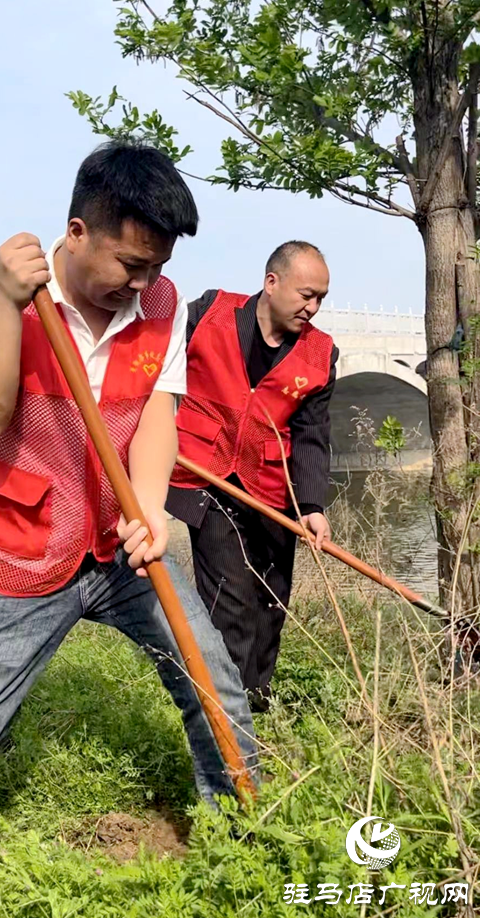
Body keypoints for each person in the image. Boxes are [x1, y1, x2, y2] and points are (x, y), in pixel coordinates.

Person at [0, 141, 258, 865]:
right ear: (77, 234)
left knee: (212, 678)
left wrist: (152, 511)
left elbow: (158, 414)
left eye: (158, 266)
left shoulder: (161, 306)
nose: (144, 284)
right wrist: (13, 305)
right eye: (131, 265)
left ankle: (240, 827)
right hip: (23, 543)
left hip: (120, 544)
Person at [167, 241, 338, 713]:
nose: (313, 307)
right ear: (271, 283)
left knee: (270, 601)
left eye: (321, 297)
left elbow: (310, 436)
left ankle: (256, 706)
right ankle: (229, 720)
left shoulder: (321, 353)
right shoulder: (208, 314)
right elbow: (157, 371)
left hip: (271, 488)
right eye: (307, 294)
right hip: (207, 480)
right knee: (232, 600)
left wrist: (312, 507)